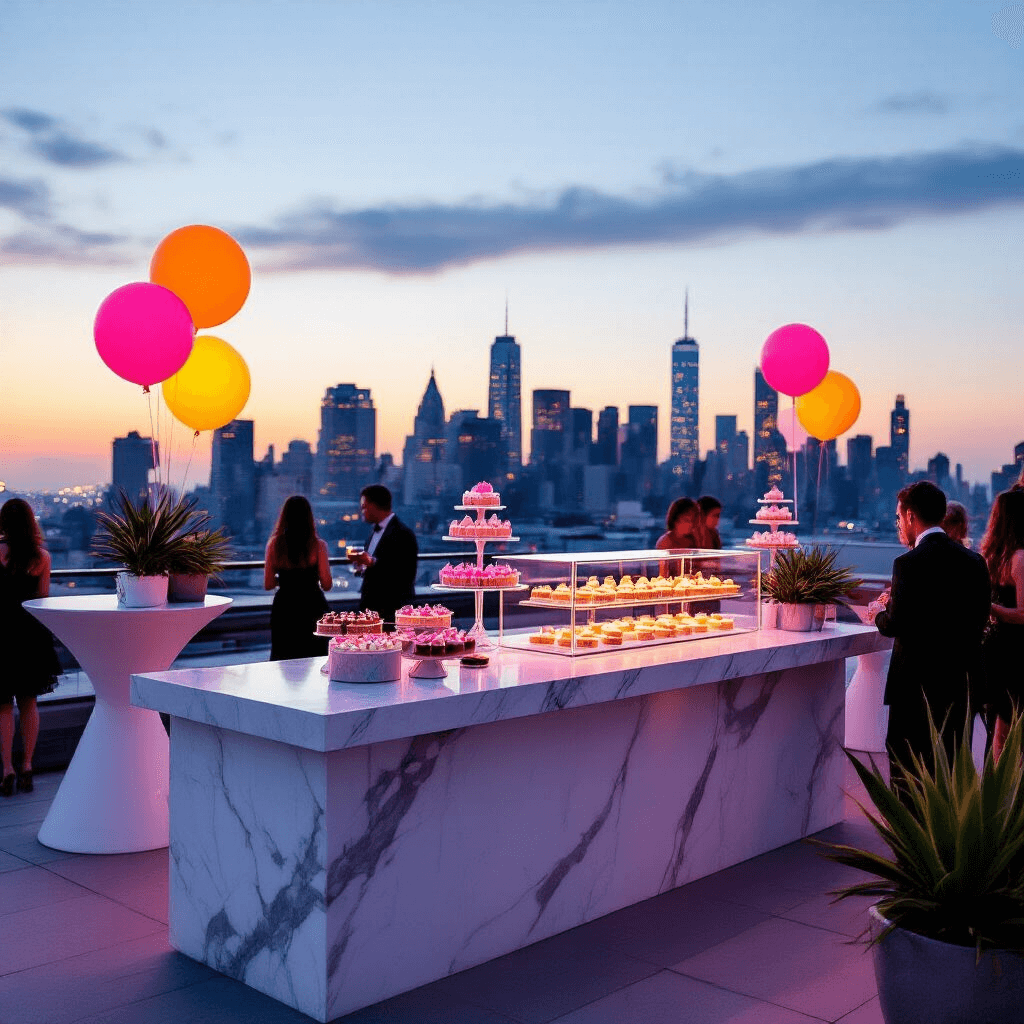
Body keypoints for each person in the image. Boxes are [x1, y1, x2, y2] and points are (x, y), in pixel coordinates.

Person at [874, 482, 990, 788]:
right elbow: (980, 619)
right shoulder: (975, 561)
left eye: (898, 518)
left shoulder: (908, 564)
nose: (898, 525)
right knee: (950, 766)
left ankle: (909, 835)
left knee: (906, 766)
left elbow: (895, 623)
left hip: (916, 688)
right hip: (960, 684)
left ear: (911, 516)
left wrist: (877, 614)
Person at [0, 498, 60, 796]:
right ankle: (26, 766)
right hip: (30, 636)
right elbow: (42, 598)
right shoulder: (42, 557)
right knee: (29, 703)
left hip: (0, 635)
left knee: (2, 706)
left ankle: (6, 770)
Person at [979, 489, 1024, 761]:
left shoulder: (992, 557)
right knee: (1009, 727)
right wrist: (993, 609)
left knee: (999, 729)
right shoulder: (1019, 557)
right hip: (1016, 653)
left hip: (995, 649)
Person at [264, 495, 333, 661]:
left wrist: (287, 579)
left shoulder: (274, 545)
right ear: (309, 517)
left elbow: (268, 584)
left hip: (285, 608)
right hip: (313, 606)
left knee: (284, 657)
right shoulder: (318, 545)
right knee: (315, 657)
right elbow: (327, 584)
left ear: (284, 516)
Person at [347, 485, 418, 626]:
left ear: (373, 506)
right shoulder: (373, 532)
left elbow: (406, 574)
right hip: (371, 610)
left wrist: (372, 562)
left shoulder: (404, 534)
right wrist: (362, 567)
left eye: (364, 507)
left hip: (391, 611)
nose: (361, 511)